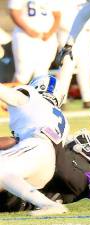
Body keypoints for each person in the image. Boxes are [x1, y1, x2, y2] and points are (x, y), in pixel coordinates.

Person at [0, 129, 90, 212]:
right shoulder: (77, 165)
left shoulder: (88, 178)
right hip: (15, 188)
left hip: (12, 196)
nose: (89, 139)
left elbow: (63, 170)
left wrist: (53, 141)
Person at [0, 75, 70, 216]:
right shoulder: (60, 117)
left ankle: (49, 205)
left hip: (35, 148)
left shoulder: (29, 95)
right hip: (47, 168)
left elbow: (8, 95)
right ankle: (45, 203)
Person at [8, 0, 60, 84]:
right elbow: (14, 12)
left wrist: (50, 32)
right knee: (23, 74)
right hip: (24, 36)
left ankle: (37, 97)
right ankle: (9, 96)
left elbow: (57, 15)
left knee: (41, 73)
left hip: (46, 37)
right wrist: (28, 30)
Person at [56, 0, 90, 109]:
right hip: (68, 35)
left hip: (87, 36)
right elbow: (60, 20)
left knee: (86, 69)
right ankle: (61, 99)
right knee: (66, 69)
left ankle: (87, 99)